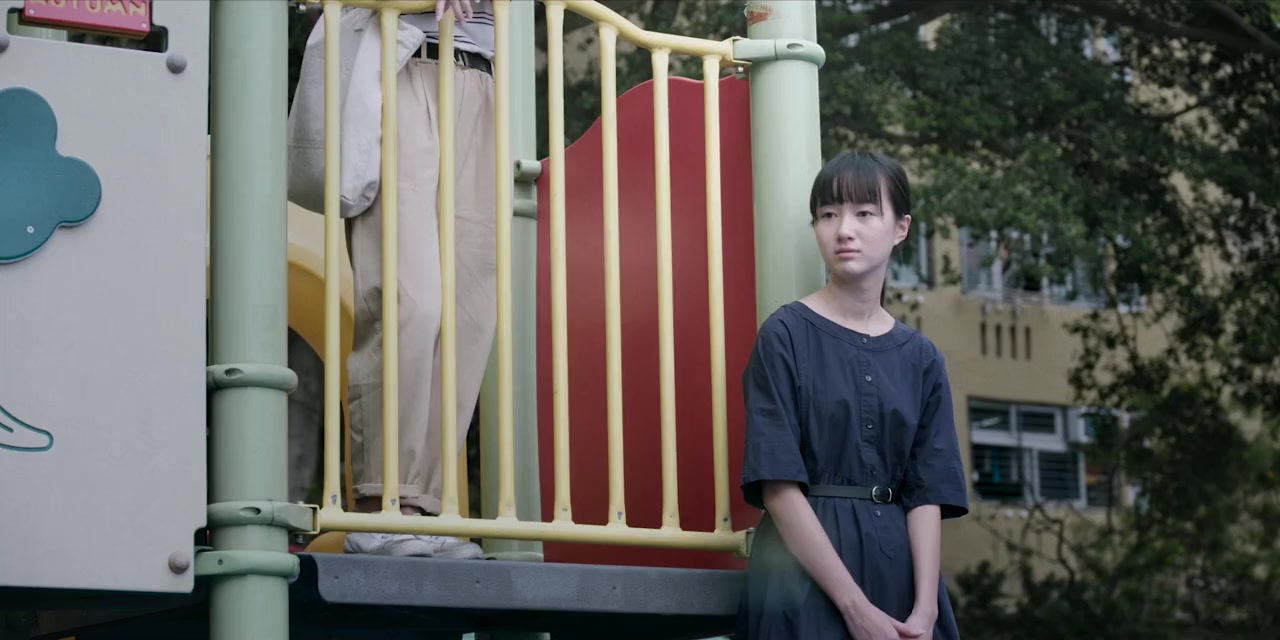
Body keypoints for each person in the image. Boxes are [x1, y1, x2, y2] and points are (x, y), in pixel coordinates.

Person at [735, 151, 969, 639]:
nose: (844, 230)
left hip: (902, 578)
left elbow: (926, 494)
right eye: (827, 215)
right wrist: (854, 607)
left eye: (864, 213)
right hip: (803, 578)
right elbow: (778, 486)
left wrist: (925, 612)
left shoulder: (922, 357)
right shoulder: (784, 335)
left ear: (901, 228)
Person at [339, 0, 497, 559]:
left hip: (485, 79)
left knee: (469, 316)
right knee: (411, 301)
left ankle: (427, 508)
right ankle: (381, 505)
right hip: (407, 63)